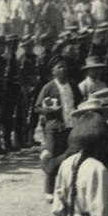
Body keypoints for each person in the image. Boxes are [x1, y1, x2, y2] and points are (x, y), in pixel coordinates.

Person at [34, 57, 79, 195]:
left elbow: (80, 102)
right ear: (53, 71)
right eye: (59, 67)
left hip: (71, 127)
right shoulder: (48, 87)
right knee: (53, 158)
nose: (62, 69)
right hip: (54, 128)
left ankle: (67, 188)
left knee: (70, 157)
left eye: (64, 66)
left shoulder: (73, 85)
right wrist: (49, 111)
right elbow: (37, 107)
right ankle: (49, 191)